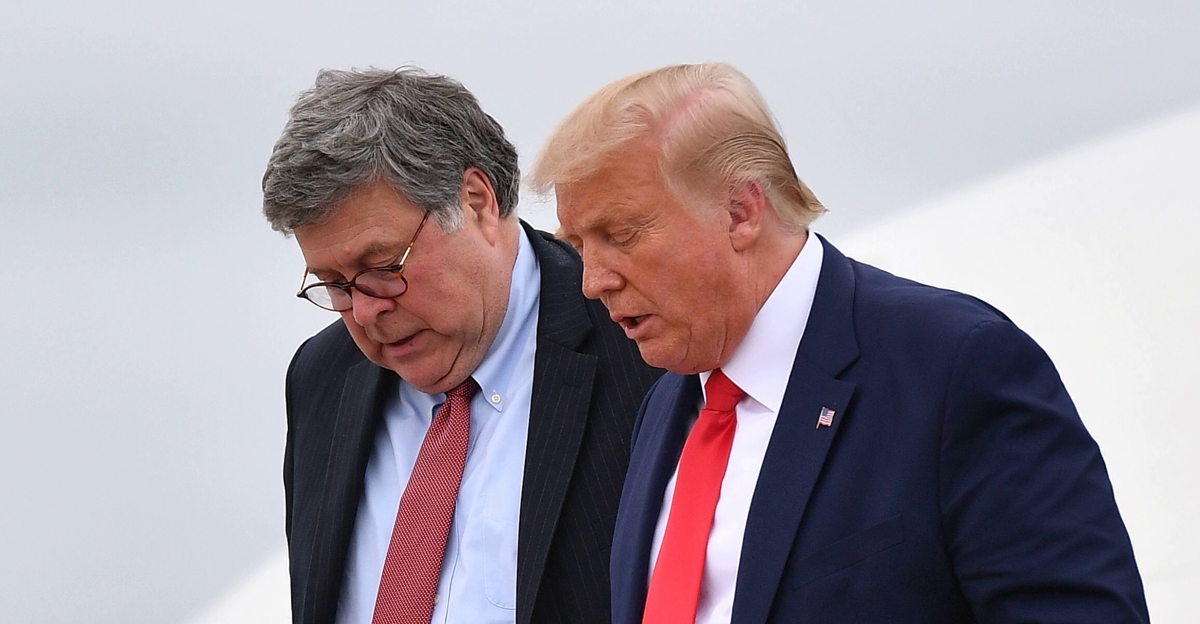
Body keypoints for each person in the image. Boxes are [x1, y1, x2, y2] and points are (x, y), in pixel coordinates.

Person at [528, 62, 1149, 624]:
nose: (593, 282)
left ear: (741, 211)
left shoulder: (956, 365)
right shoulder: (663, 405)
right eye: (578, 246)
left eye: (622, 235)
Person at [261, 67, 661, 624]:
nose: (366, 311)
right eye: (334, 284)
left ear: (477, 202)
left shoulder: (643, 346)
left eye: (382, 267)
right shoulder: (320, 377)